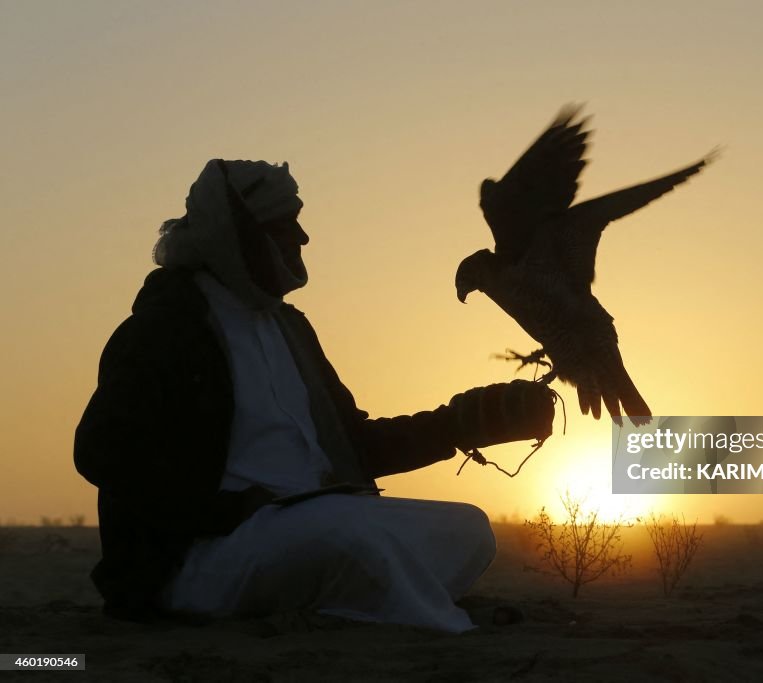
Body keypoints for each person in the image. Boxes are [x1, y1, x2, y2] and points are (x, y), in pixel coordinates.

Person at [74, 159, 555, 632]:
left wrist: (464, 423)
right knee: (348, 541)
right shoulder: (164, 329)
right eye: (284, 225)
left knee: (466, 531)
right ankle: (434, 619)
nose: (302, 238)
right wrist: (223, 511)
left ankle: (366, 603)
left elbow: (354, 445)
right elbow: (99, 452)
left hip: (314, 521)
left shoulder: (291, 329)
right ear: (237, 235)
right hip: (204, 553)